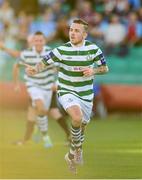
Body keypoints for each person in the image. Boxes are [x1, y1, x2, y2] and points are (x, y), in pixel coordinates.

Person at [26, 19, 109, 174]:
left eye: (77, 30)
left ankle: (71, 154)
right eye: (71, 30)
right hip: (66, 91)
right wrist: (34, 70)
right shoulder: (61, 50)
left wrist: (93, 71)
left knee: (82, 126)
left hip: (85, 94)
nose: (72, 33)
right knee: (76, 118)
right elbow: (43, 63)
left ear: (85, 34)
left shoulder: (93, 49)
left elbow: (105, 68)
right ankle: (77, 150)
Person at [0, 31, 70, 147]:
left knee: (40, 112)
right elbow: (17, 64)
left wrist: (57, 83)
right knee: (41, 109)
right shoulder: (26, 53)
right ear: (31, 42)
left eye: (40, 40)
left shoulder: (50, 53)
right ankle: (43, 136)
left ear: (45, 41)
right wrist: (16, 84)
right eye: (35, 40)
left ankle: (30, 136)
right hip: (34, 86)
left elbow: (61, 69)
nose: (37, 43)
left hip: (48, 86)